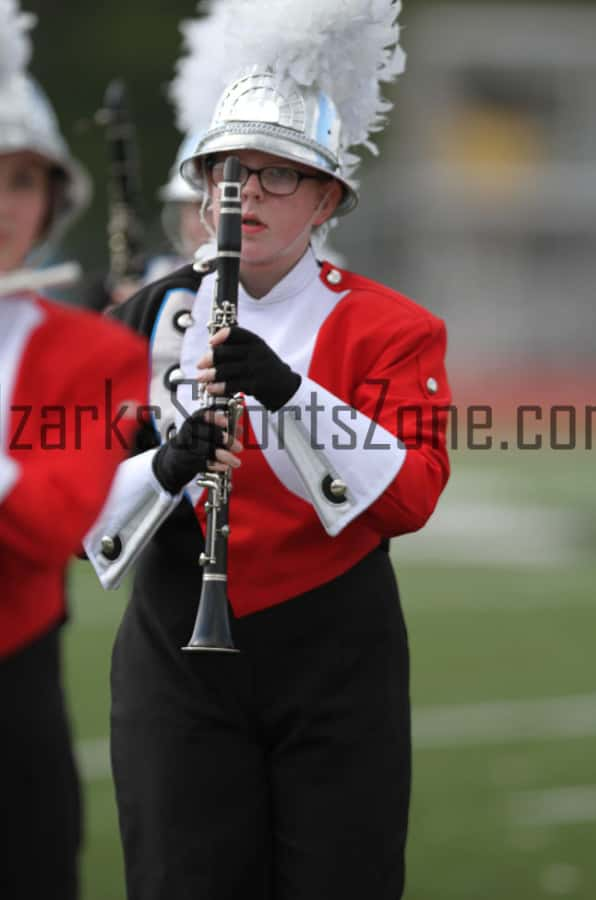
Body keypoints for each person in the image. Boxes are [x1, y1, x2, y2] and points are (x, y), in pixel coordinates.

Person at [84, 1, 451, 898]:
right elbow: (72, 504)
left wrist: (289, 392)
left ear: (327, 197)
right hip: (176, 654)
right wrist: (168, 467)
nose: (239, 197)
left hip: (335, 655)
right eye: (225, 173)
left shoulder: (391, 328)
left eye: (275, 177)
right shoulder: (144, 317)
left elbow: (411, 496)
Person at [0, 3, 148, 898]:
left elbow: (52, 524)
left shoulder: (94, 354)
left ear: (54, 199)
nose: (2, 205)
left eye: (21, 181)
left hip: (13, 685)